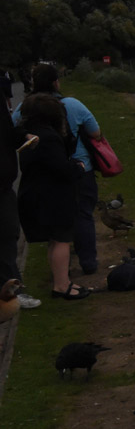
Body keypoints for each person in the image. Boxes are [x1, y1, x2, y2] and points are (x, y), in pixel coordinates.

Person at [12, 64, 101, 275]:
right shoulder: (73, 104)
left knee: (55, 224)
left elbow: (14, 132)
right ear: (55, 82)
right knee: (83, 215)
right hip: (79, 167)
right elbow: (96, 132)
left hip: (44, 173)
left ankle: (60, 269)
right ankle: (88, 262)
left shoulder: (23, 108)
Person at [16, 93, 90, 299]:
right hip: (52, 198)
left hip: (37, 194)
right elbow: (61, 168)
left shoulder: (30, 135)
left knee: (55, 240)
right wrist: (78, 167)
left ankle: (61, 281)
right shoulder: (48, 138)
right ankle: (62, 285)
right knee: (61, 240)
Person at [0, 96, 39, 309]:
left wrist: (24, 135)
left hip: (4, 186)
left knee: (8, 236)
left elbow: (7, 131)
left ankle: (13, 294)